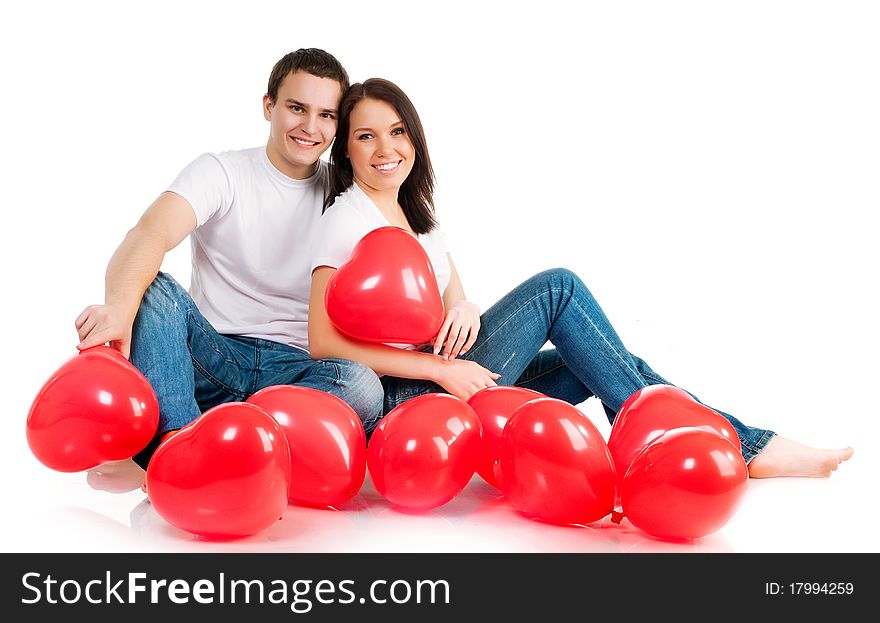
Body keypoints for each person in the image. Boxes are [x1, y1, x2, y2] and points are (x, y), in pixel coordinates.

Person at [308, 77, 853, 478]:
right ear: (346, 147)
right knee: (560, 289)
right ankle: (711, 445)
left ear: (414, 137)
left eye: (397, 131)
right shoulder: (346, 219)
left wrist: (467, 307)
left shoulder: (417, 215)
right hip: (414, 402)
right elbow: (322, 341)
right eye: (366, 137)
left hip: (456, 375)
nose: (386, 150)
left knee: (598, 354)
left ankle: (725, 445)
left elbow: (452, 299)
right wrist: (437, 369)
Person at [74, 49, 384, 472]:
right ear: (268, 106)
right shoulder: (221, 173)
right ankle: (177, 446)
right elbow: (151, 233)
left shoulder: (347, 196)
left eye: (326, 115)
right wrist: (118, 308)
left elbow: (414, 242)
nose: (310, 127)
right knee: (155, 289)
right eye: (297, 108)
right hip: (213, 356)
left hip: (296, 369)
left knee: (362, 385)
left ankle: (238, 441)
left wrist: (459, 301)